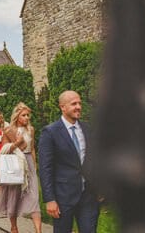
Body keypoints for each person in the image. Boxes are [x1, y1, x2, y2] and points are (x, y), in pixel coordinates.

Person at [38, 91, 99, 233]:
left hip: (88, 196)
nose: (78, 106)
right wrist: (49, 199)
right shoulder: (50, 132)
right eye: (73, 104)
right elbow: (45, 168)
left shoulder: (87, 129)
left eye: (79, 103)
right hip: (63, 197)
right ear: (62, 107)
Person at [0, 103, 42, 233]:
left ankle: (38, 230)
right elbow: (4, 150)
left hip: (29, 165)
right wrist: (17, 143)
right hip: (15, 164)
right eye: (24, 115)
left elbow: (32, 148)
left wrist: (34, 165)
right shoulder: (9, 130)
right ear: (17, 116)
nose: (27, 117)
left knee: (34, 196)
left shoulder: (31, 129)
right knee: (13, 197)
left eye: (28, 115)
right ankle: (14, 227)